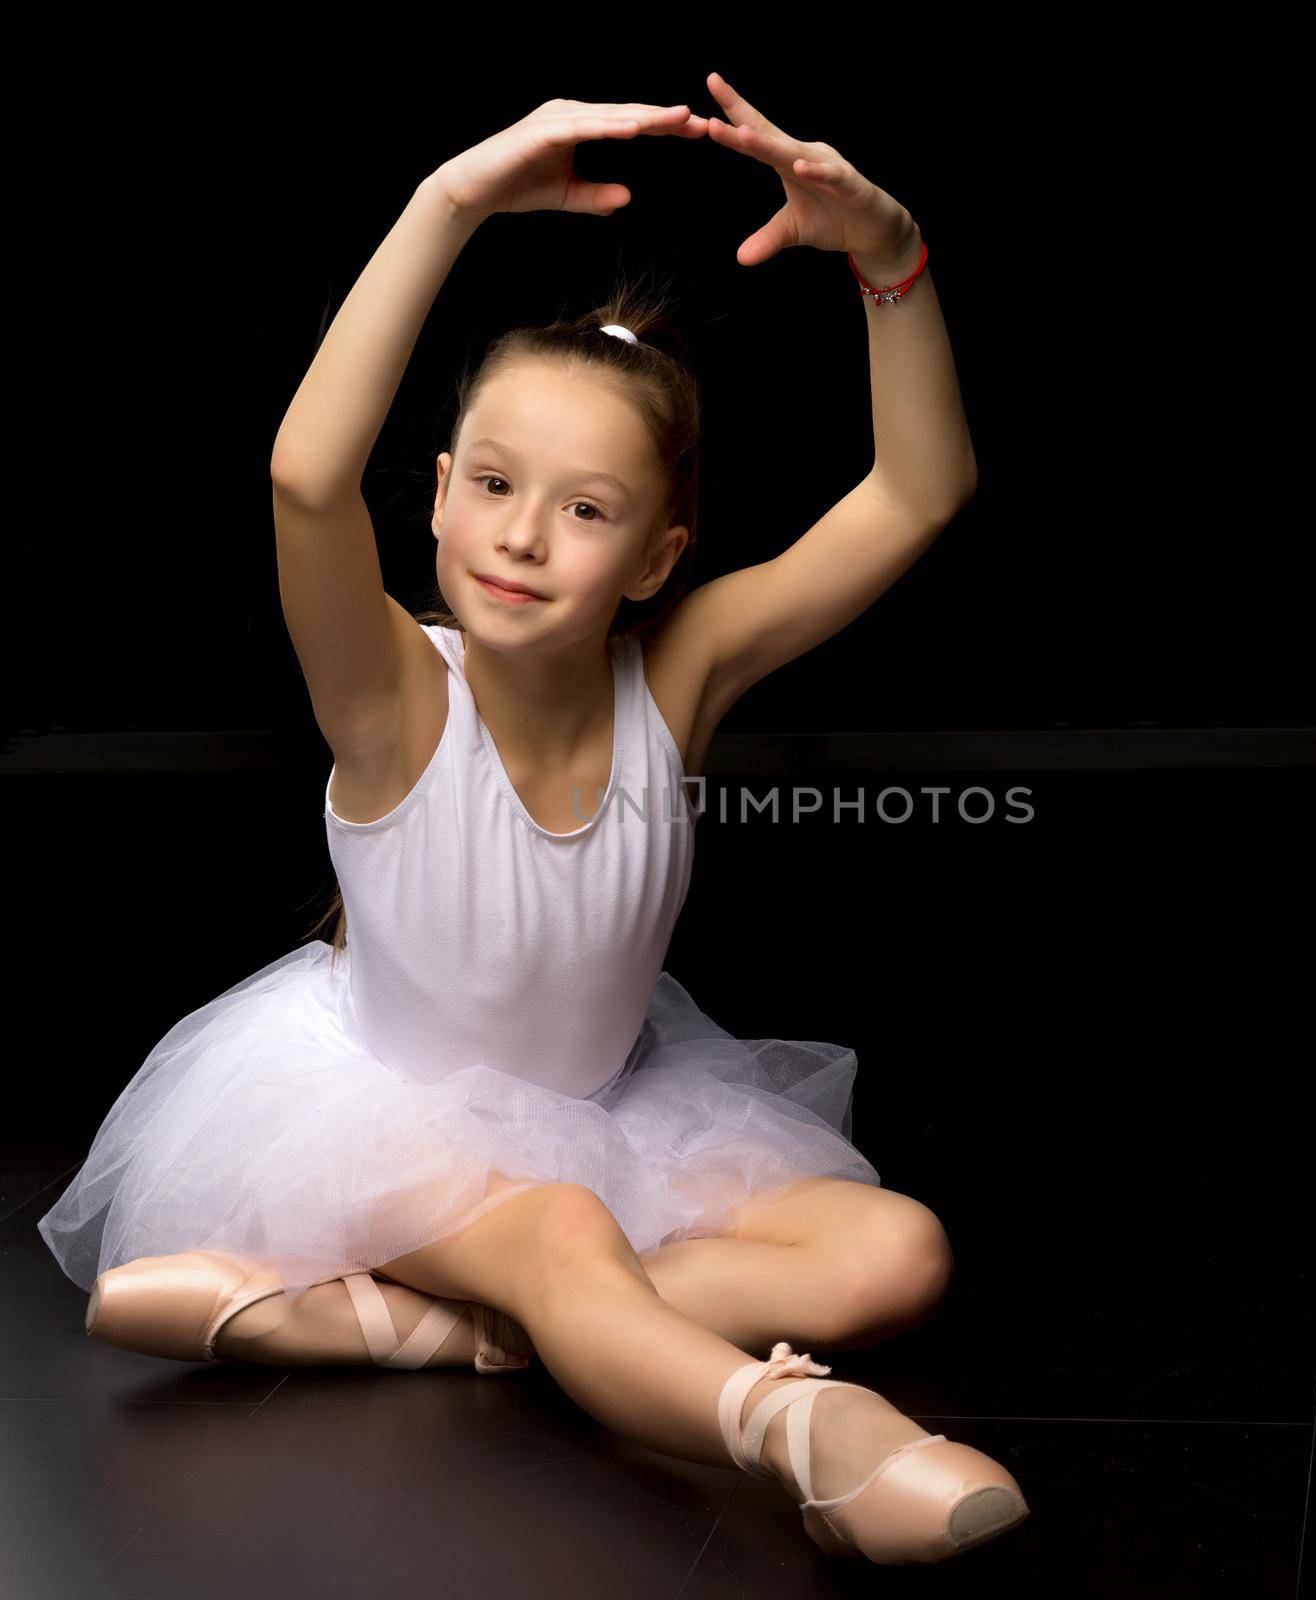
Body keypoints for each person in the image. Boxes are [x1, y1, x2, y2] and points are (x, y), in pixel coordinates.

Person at [38, 76, 1023, 1565]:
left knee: (896, 1252)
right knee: (565, 1234)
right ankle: (809, 1434)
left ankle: (406, 1331)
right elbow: (307, 478)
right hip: (378, 1126)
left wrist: (893, 257)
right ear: (436, 494)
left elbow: (918, 493)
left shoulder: (677, 676)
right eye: (492, 485)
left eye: (585, 508)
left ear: (656, 553)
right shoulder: (391, 698)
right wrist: (450, 203)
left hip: (604, 1111)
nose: (518, 534)